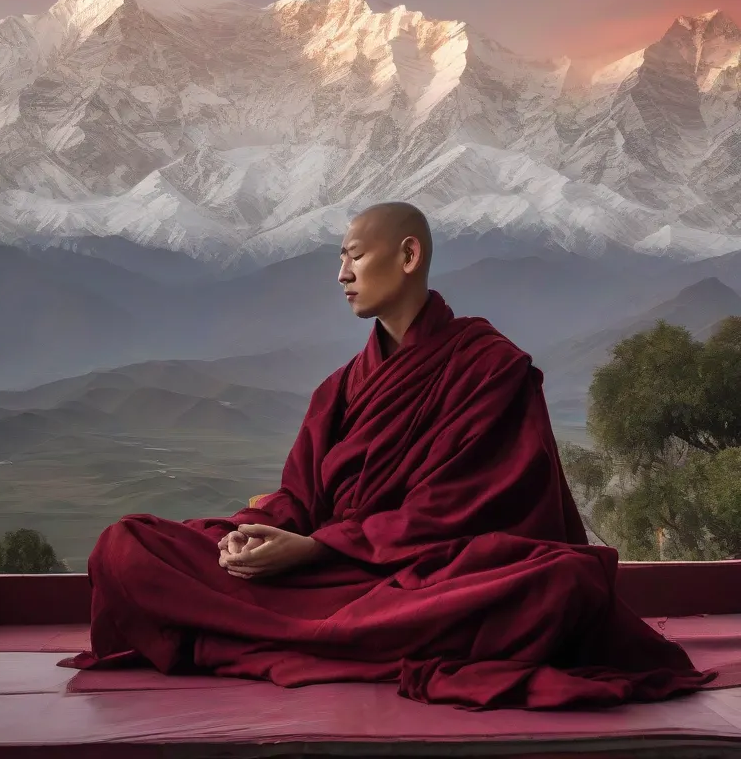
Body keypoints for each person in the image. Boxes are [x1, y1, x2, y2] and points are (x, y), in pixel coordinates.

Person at [60, 202, 711, 709]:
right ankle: (290, 627)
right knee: (125, 546)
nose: (340, 275)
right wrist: (260, 536)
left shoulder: (490, 370)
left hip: (424, 581)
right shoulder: (340, 388)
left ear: (407, 255)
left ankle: (238, 631)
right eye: (338, 261)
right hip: (331, 579)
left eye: (353, 257)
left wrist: (318, 549)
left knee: (558, 585)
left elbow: (470, 508)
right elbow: (298, 498)